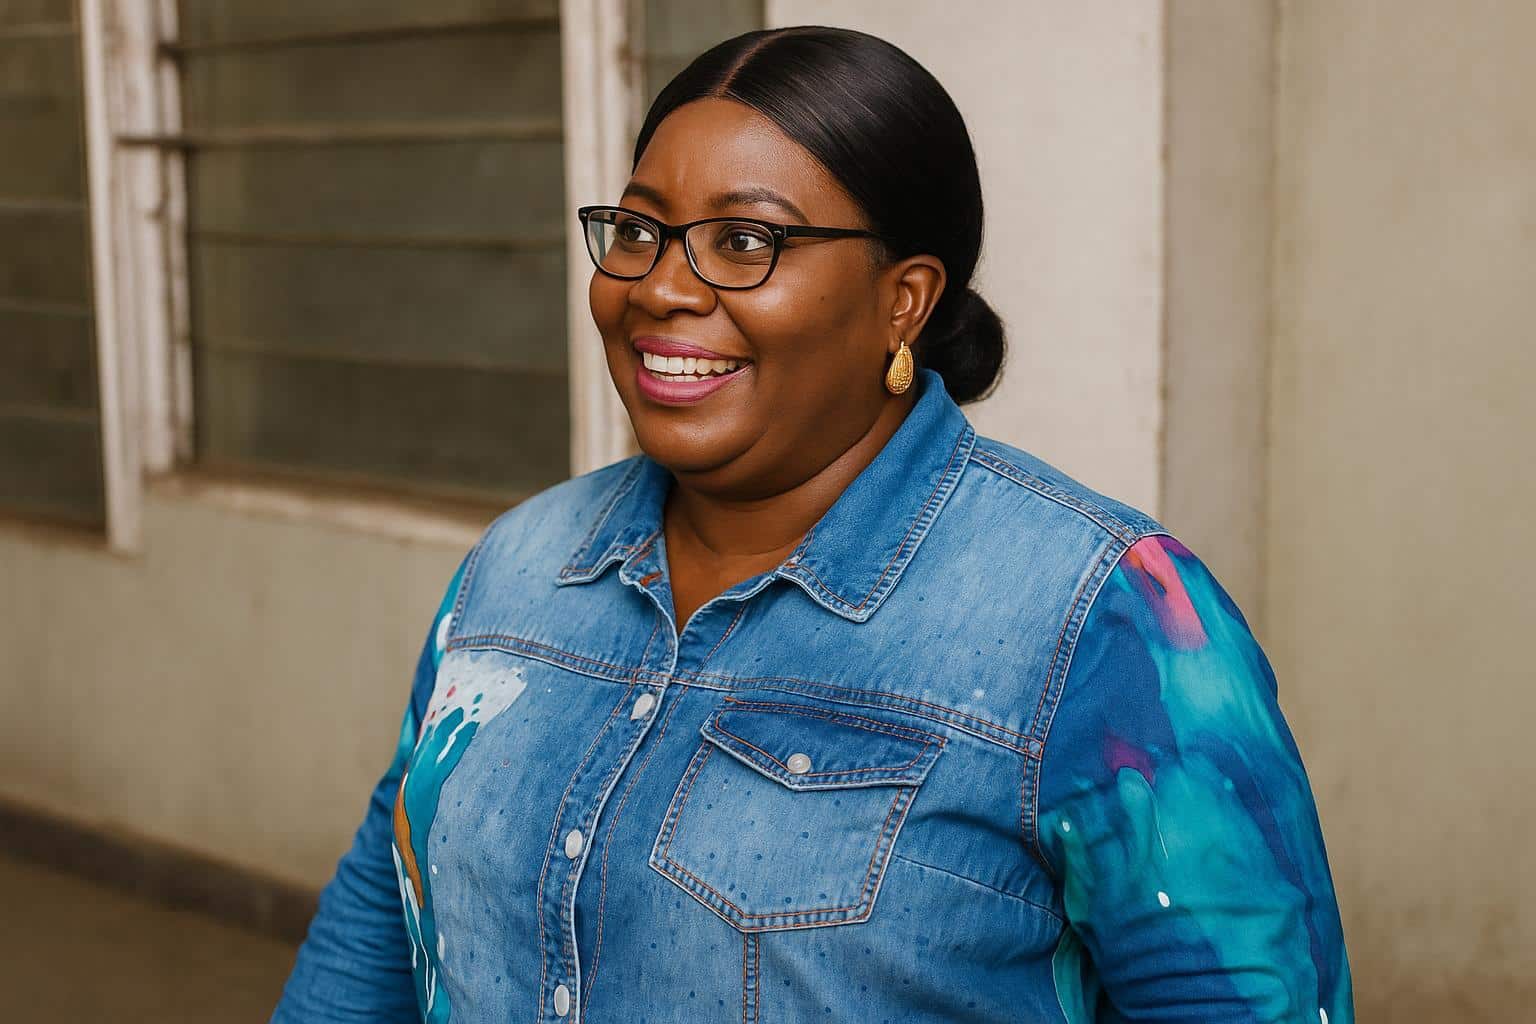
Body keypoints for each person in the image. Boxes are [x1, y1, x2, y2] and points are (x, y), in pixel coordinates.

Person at [271, 25, 1354, 1024]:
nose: (660, 288)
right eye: (640, 230)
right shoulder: (518, 568)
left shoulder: (1097, 617)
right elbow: (380, 922)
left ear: (904, 299)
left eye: (745, 240)